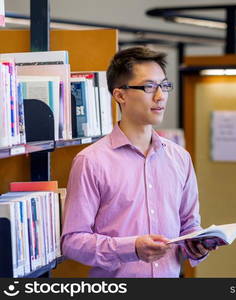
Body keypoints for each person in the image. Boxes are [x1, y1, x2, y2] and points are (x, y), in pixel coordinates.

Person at [61, 46, 217, 278]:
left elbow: (189, 225)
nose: (160, 96)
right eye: (148, 87)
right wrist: (131, 248)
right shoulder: (91, 161)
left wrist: (199, 245)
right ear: (120, 95)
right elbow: (73, 241)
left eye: (164, 86)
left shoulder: (180, 158)